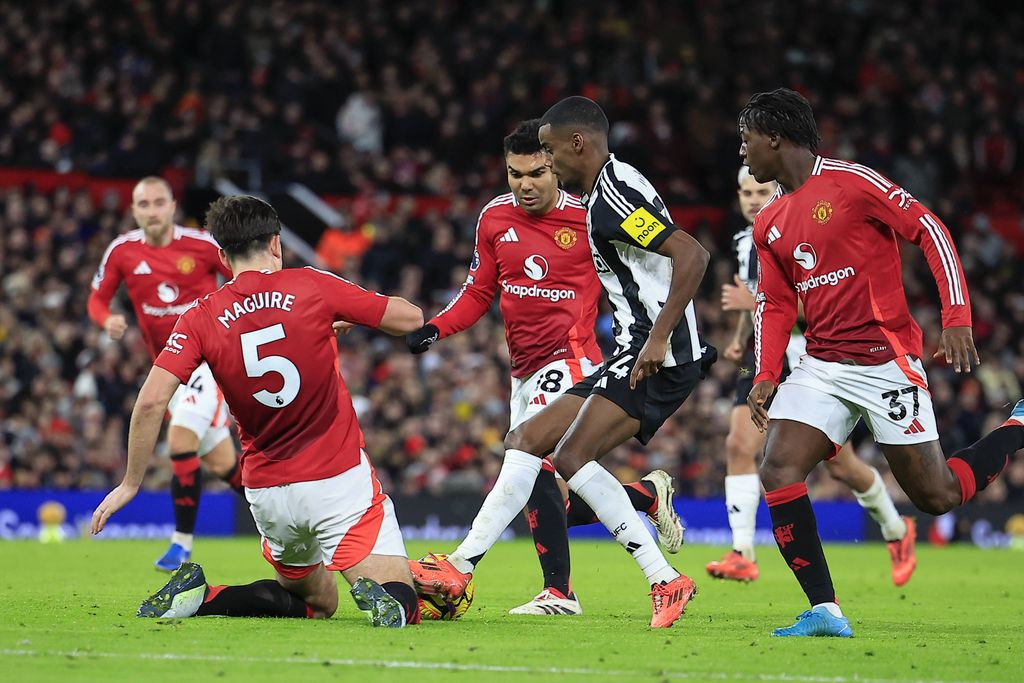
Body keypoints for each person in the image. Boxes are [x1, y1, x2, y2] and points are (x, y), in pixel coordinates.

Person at [410, 96, 716, 629]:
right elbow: (479, 291)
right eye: (517, 173)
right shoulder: (501, 216)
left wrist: (660, 336)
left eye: (542, 165)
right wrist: (436, 327)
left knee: (531, 451)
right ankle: (637, 528)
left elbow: (689, 253)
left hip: (580, 356)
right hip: (532, 367)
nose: (529, 181)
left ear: (563, 156)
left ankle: (465, 566)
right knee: (545, 474)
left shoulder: (596, 207)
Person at [738, 88, 1024, 637]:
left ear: (774, 137)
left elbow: (930, 229)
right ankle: (825, 609)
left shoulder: (852, 182)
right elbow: (774, 304)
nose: (742, 151)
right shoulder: (768, 221)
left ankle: (1016, 427)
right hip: (822, 365)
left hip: (885, 362)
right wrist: (767, 373)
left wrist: (957, 315)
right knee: (777, 466)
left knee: (937, 495)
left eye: (746, 139)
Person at [91, 195, 425, 628]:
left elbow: (152, 400)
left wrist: (130, 483)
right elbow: (411, 318)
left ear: (222, 256)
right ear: (275, 243)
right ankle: (387, 598)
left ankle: (203, 596)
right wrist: (352, 314)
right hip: (335, 478)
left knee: (316, 603)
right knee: (403, 598)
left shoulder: (199, 317)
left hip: (267, 494)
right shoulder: (312, 285)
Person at [707, 167, 915, 586]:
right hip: (764, 359)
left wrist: (752, 301)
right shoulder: (746, 241)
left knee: (841, 466)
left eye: (760, 191)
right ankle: (743, 552)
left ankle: (896, 529)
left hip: (811, 354)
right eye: (745, 192)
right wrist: (740, 338)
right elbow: (761, 307)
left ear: (778, 190)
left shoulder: (803, 228)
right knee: (738, 443)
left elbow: (812, 306)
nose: (752, 199)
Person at [88, 176, 243, 571]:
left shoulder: (203, 245)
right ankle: (289, 512)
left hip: (209, 362)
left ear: (173, 206)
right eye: (144, 204)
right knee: (224, 465)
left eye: (159, 202)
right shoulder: (122, 251)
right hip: (169, 370)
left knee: (180, 437)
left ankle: (180, 545)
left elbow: (246, 277)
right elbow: (97, 299)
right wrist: (106, 319)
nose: (152, 211)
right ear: (134, 210)